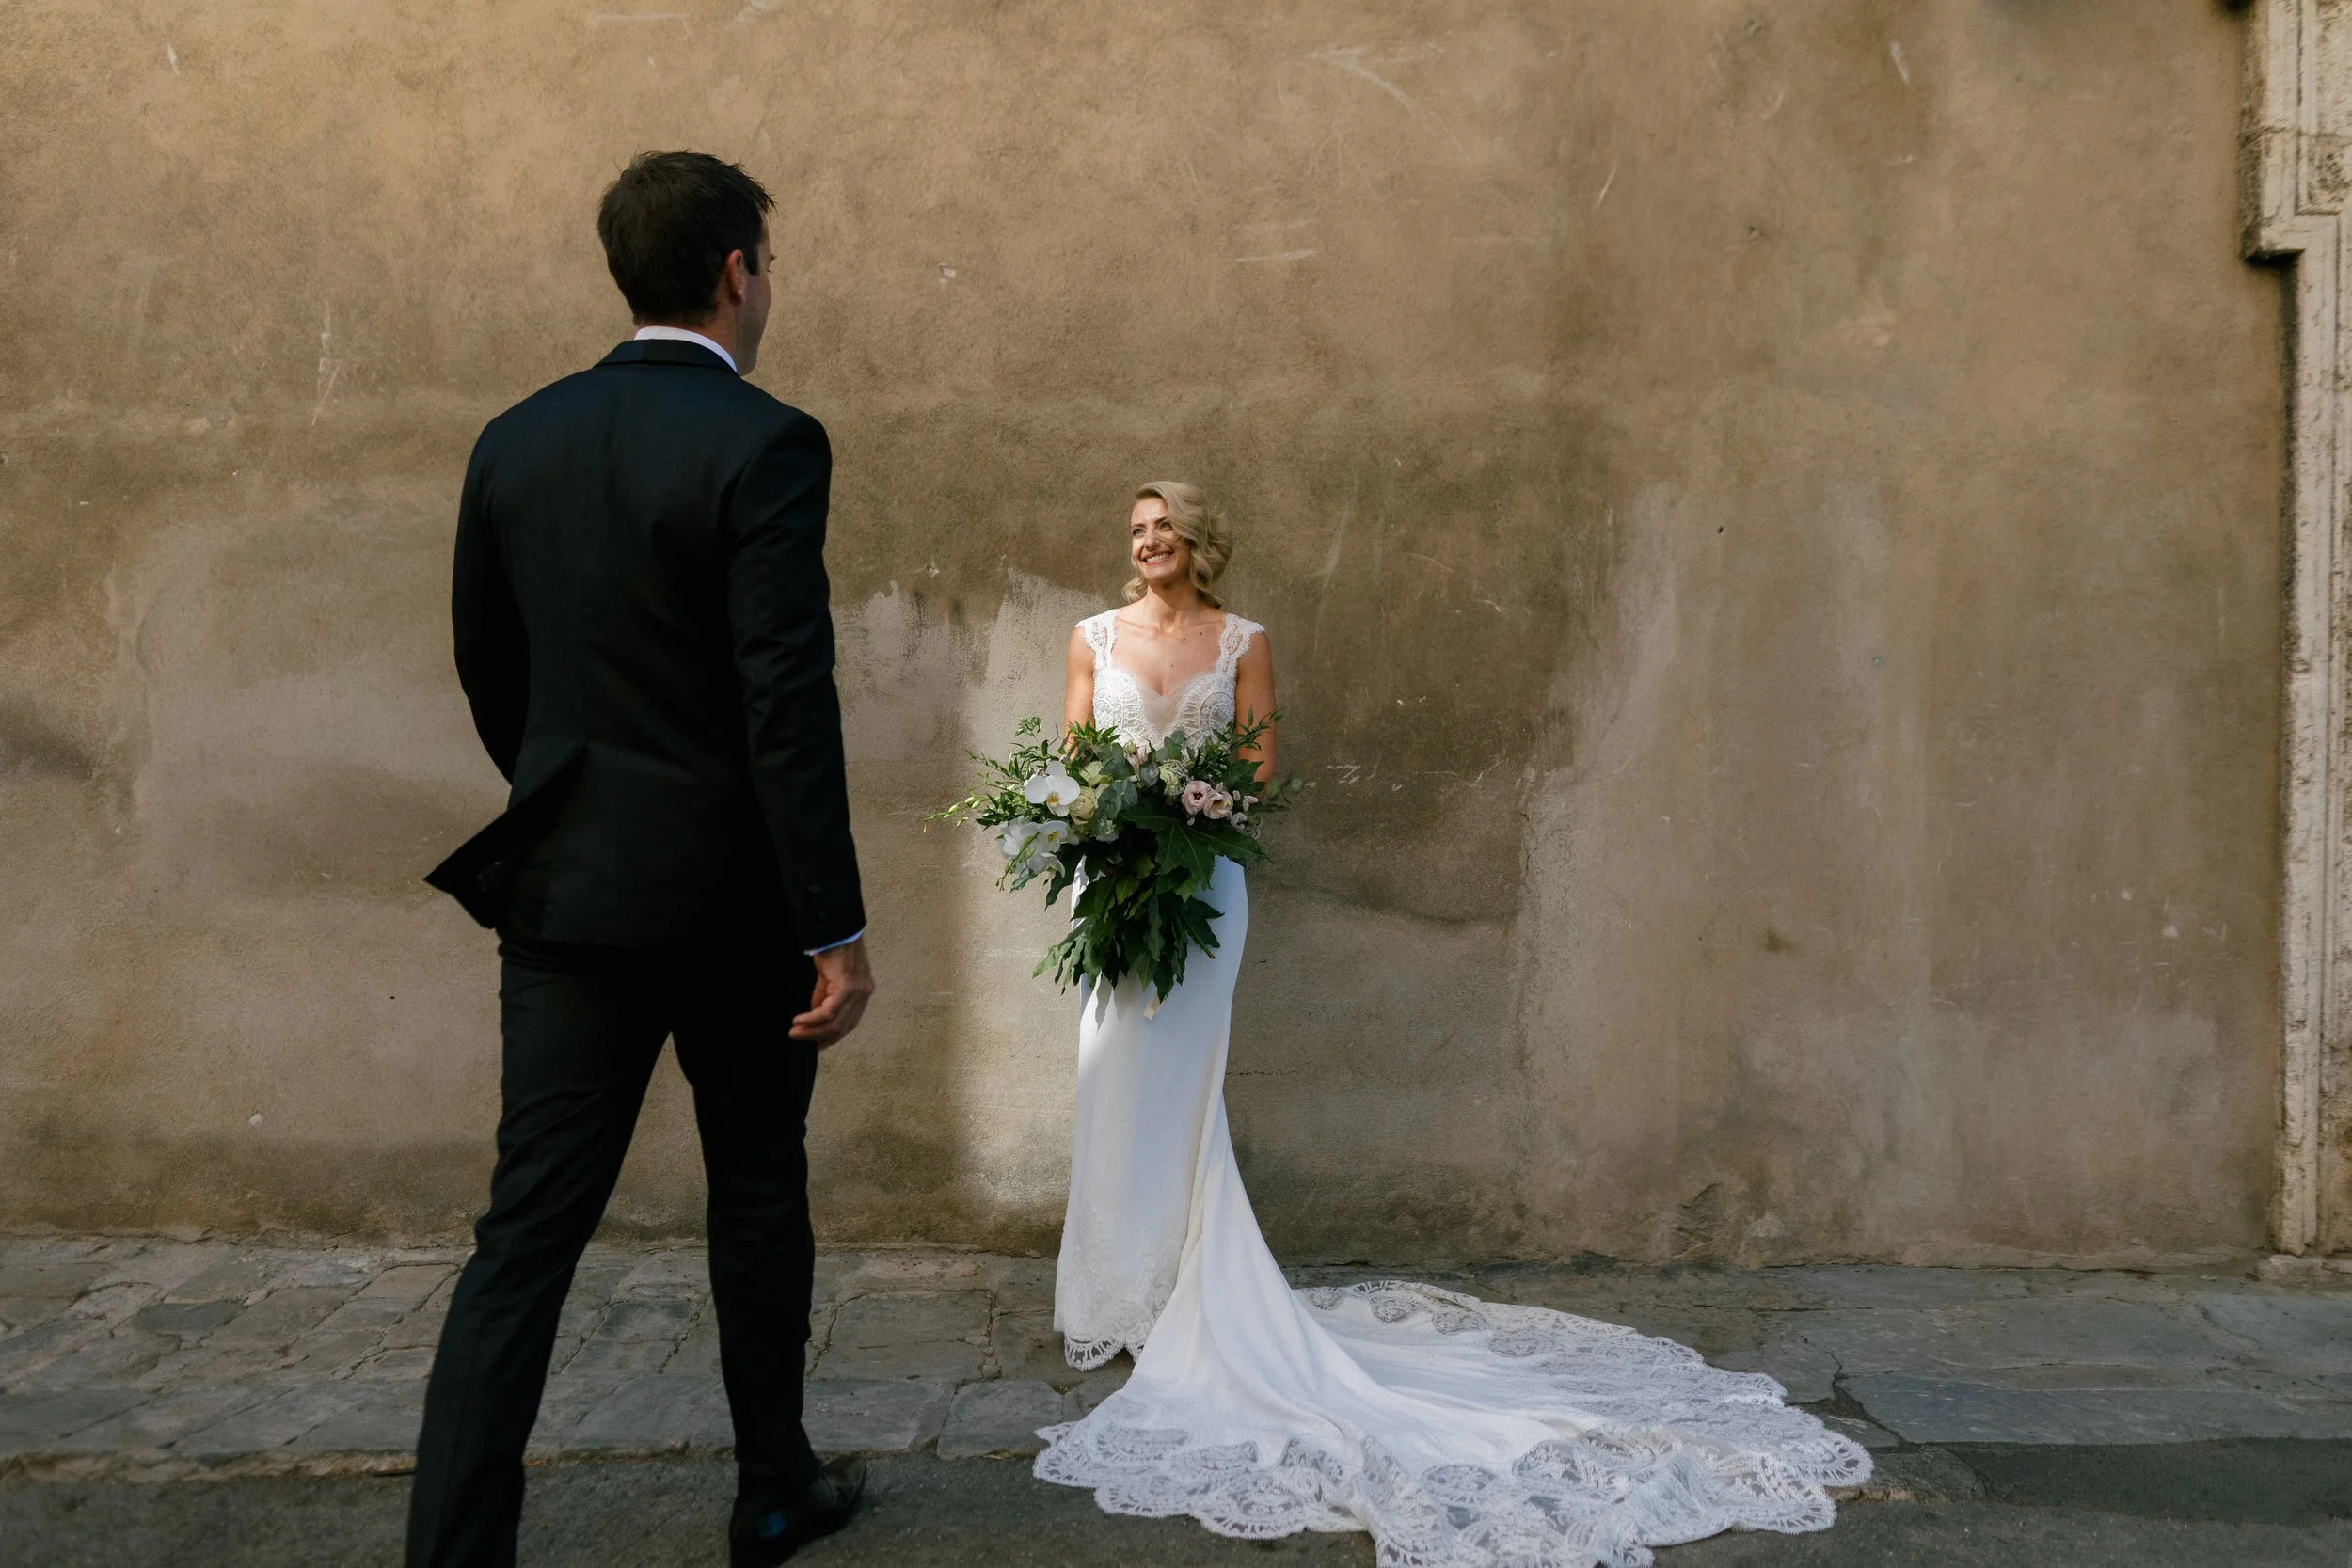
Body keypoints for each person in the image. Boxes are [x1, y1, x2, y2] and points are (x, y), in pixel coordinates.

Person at [1034, 483, 1869, 1567]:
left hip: (1202, 886)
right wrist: (1108, 820)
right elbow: (1071, 764)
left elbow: (1256, 768)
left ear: (1198, 545)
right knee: (1110, 1072)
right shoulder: (1089, 637)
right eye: (1136, 528)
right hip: (1108, 887)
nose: (1147, 542)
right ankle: (1110, 1290)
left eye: (1166, 528)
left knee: (1183, 1087)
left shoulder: (1244, 639)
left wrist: (1188, 810)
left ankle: (1182, 1290)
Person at [409, 151, 875, 1568]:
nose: (769, 289)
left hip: (568, 897)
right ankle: (772, 1488)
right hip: (736, 909)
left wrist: (571, 799)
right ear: (737, 270)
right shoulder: (767, 441)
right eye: (769, 267)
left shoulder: (516, 437)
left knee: (525, 1233)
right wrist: (834, 922)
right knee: (755, 1189)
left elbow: (493, 666)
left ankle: (453, 1549)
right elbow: (784, 700)